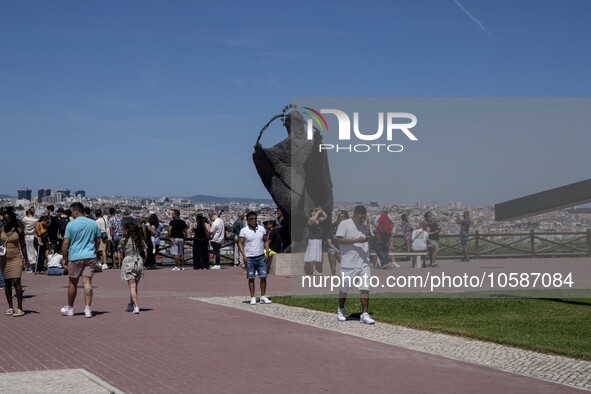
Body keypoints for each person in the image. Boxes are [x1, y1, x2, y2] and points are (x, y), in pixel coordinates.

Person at [60, 202, 101, 318]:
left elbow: (66, 242)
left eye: (72, 211)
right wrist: (95, 251)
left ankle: (70, 308)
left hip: (75, 256)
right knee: (87, 282)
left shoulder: (71, 225)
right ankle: (87, 308)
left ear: (75, 211)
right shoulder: (93, 224)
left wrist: (64, 257)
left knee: (72, 283)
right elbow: (98, 240)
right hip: (90, 255)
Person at [336, 205, 375, 324]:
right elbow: (339, 240)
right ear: (354, 215)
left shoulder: (364, 226)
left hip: (363, 262)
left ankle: (364, 314)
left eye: (364, 218)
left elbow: (371, 240)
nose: (362, 220)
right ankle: (341, 309)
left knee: (365, 288)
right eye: (360, 218)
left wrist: (368, 231)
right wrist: (356, 241)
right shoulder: (345, 224)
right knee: (345, 289)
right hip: (349, 263)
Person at [239, 211, 272, 305]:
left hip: (261, 256)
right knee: (251, 278)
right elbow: (240, 243)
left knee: (263, 277)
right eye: (251, 219)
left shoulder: (262, 229)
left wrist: (267, 252)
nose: (253, 220)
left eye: (255, 219)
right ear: (247, 220)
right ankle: (252, 297)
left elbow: (266, 240)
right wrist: (244, 255)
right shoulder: (244, 230)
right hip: (250, 258)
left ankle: (263, 296)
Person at [1, 207, 28, 317]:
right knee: (7, 283)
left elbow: (23, 246)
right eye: (4, 220)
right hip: (4, 259)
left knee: (17, 281)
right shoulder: (1, 229)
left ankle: (20, 308)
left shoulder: (19, 230)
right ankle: (10, 307)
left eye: (7, 220)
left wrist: (26, 259)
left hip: (16, 257)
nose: (5, 222)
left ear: (12, 220)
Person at [119, 222, 146, 314]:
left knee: (132, 286)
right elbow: (145, 252)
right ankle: (131, 304)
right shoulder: (139, 240)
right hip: (139, 261)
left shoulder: (124, 240)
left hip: (129, 261)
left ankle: (136, 306)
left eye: (123, 229)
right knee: (134, 286)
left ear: (127, 230)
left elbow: (120, 249)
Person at [304, 207, 327, 275]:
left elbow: (326, 216)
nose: (315, 212)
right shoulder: (310, 219)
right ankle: (314, 270)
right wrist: (317, 212)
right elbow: (313, 220)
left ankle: (312, 270)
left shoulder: (319, 220)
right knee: (313, 255)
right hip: (313, 240)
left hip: (318, 240)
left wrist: (321, 210)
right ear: (311, 212)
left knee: (315, 255)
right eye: (314, 211)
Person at [327, 210, 349, 276]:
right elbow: (329, 242)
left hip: (344, 247)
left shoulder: (348, 228)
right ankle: (333, 270)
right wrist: (337, 250)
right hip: (334, 247)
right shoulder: (333, 227)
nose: (342, 219)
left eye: (344, 217)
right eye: (341, 217)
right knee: (332, 252)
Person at [22, 208, 37, 272]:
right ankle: (32, 265)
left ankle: (27, 265)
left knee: (26, 250)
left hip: (25, 236)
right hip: (32, 236)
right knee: (32, 250)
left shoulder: (24, 219)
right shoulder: (35, 220)